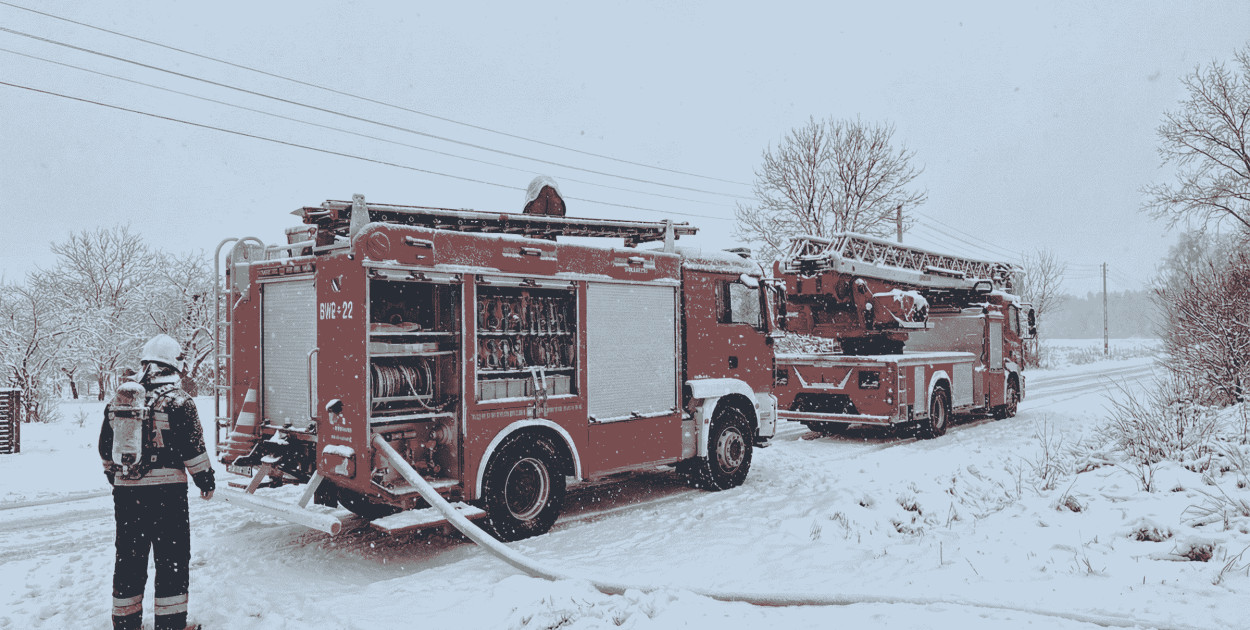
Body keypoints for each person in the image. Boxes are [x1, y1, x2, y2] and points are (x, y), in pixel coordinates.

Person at [99, 334, 214, 630]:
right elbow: (194, 449)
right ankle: (170, 624)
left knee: (129, 561)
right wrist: (205, 481)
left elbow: (104, 448)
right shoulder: (178, 401)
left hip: (127, 498)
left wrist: (118, 479)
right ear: (175, 363)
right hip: (168, 497)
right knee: (171, 562)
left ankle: (125, 624)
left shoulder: (121, 399)